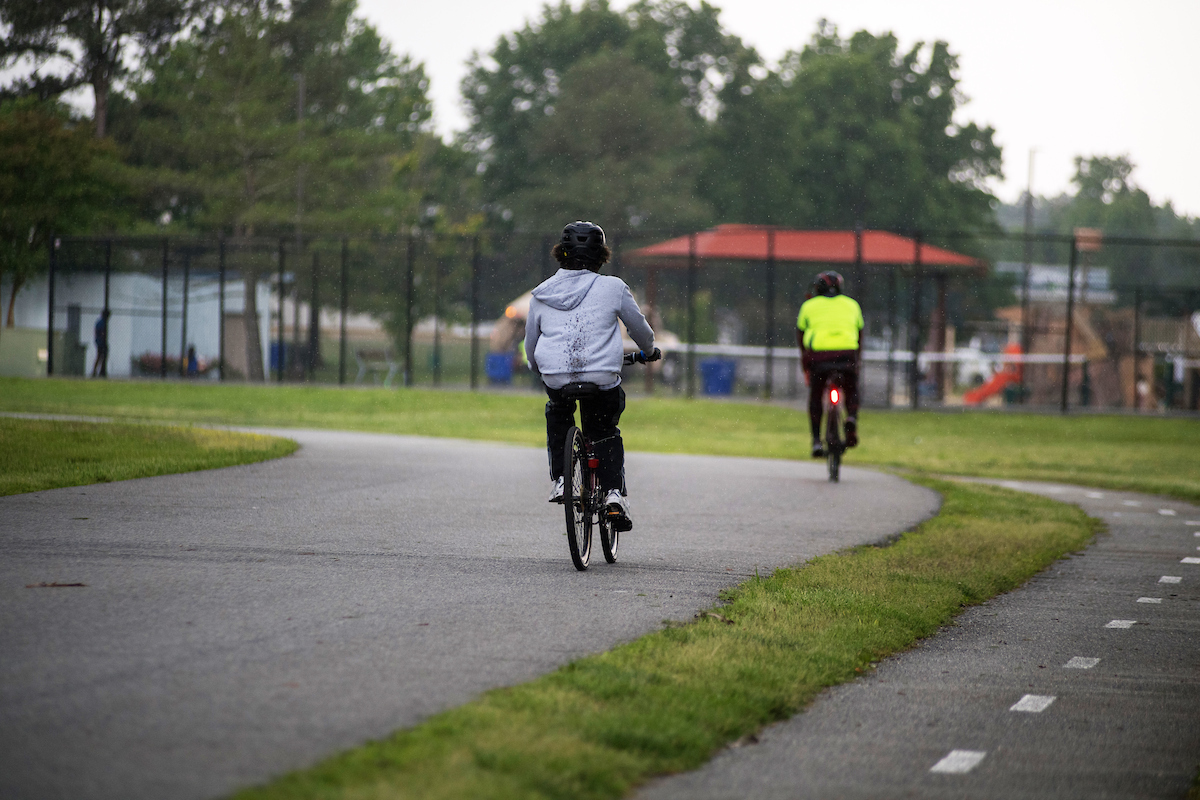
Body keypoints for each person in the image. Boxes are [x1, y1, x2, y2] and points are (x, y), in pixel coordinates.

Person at [524, 221, 659, 532]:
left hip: (556, 374)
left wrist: (535, 365)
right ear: (602, 257)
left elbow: (531, 341)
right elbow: (640, 330)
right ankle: (613, 493)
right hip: (601, 375)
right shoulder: (613, 288)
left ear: (561, 254)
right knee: (605, 428)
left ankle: (561, 480)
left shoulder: (541, 294)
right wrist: (649, 350)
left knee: (558, 413)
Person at [797, 271, 863, 457]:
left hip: (819, 359)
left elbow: (801, 338)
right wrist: (856, 362)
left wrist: (806, 363)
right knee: (851, 388)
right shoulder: (852, 305)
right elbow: (860, 335)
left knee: (816, 397)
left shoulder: (809, 306)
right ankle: (851, 417)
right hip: (846, 356)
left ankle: (817, 441)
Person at [91, 309, 111, 378]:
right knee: (101, 357)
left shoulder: (99, 322)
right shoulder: (103, 322)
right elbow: (102, 333)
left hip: (99, 341)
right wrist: (103, 340)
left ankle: (96, 371)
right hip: (101, 342)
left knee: (99, 357)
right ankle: (99, 372)